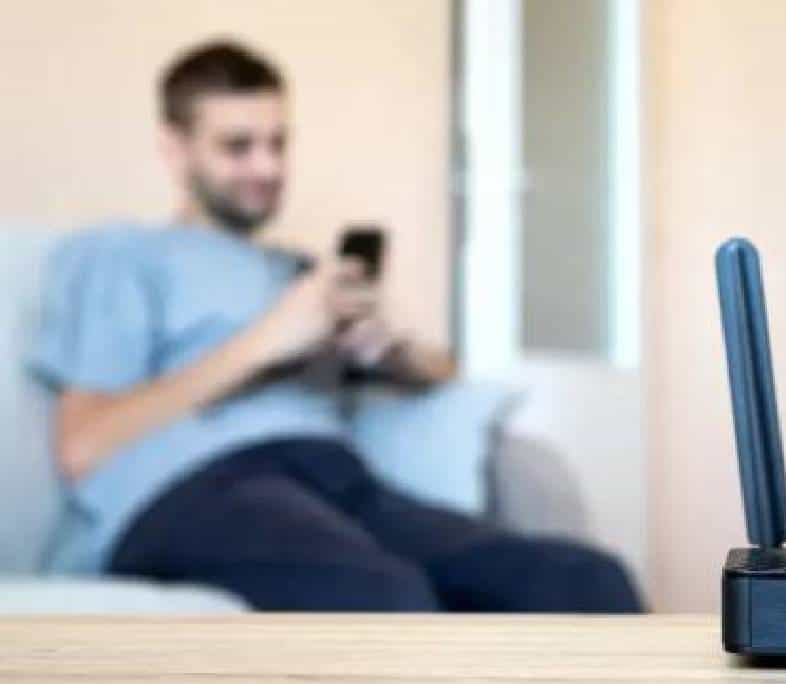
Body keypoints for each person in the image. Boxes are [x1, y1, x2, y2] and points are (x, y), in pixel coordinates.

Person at [27, 40, 642, 612]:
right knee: (379, 596)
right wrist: (269, 339)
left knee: (584, 580)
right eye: (238, 147)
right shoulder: (122, 254)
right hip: (195, 490)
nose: (267, 166)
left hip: (338, 480)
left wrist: (387, 348)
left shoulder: (301, 272)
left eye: (278, 143)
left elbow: (443, 372)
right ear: (175, 148)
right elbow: (85, 446)